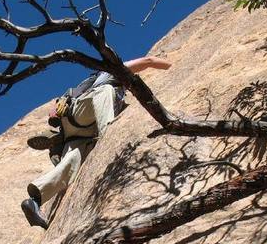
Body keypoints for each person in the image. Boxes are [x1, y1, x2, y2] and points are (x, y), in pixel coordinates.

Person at [21, 56, 172, 228]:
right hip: (84, 111)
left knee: (71, 163)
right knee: (106, 91)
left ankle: (34, 201)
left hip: (77, 129)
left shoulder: (86, 82)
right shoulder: (111, 73)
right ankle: (107, 133)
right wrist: (173, 66)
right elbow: (149, 60)